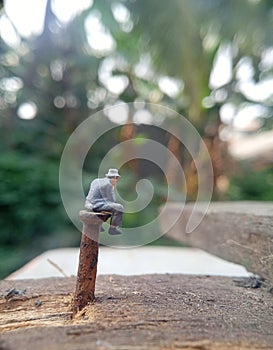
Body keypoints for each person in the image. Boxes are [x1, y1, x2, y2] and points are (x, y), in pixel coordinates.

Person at [85, 168, 124, 235]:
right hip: (96, 205)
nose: (117, 181)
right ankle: (113, 228)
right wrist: (113, 188)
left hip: (89, 203)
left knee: (109, 207)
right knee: (119, 207)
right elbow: (112, 200)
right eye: (117, 179)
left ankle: (99, 225)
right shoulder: (108, 184)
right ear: (115, 177)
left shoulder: (96, 180)